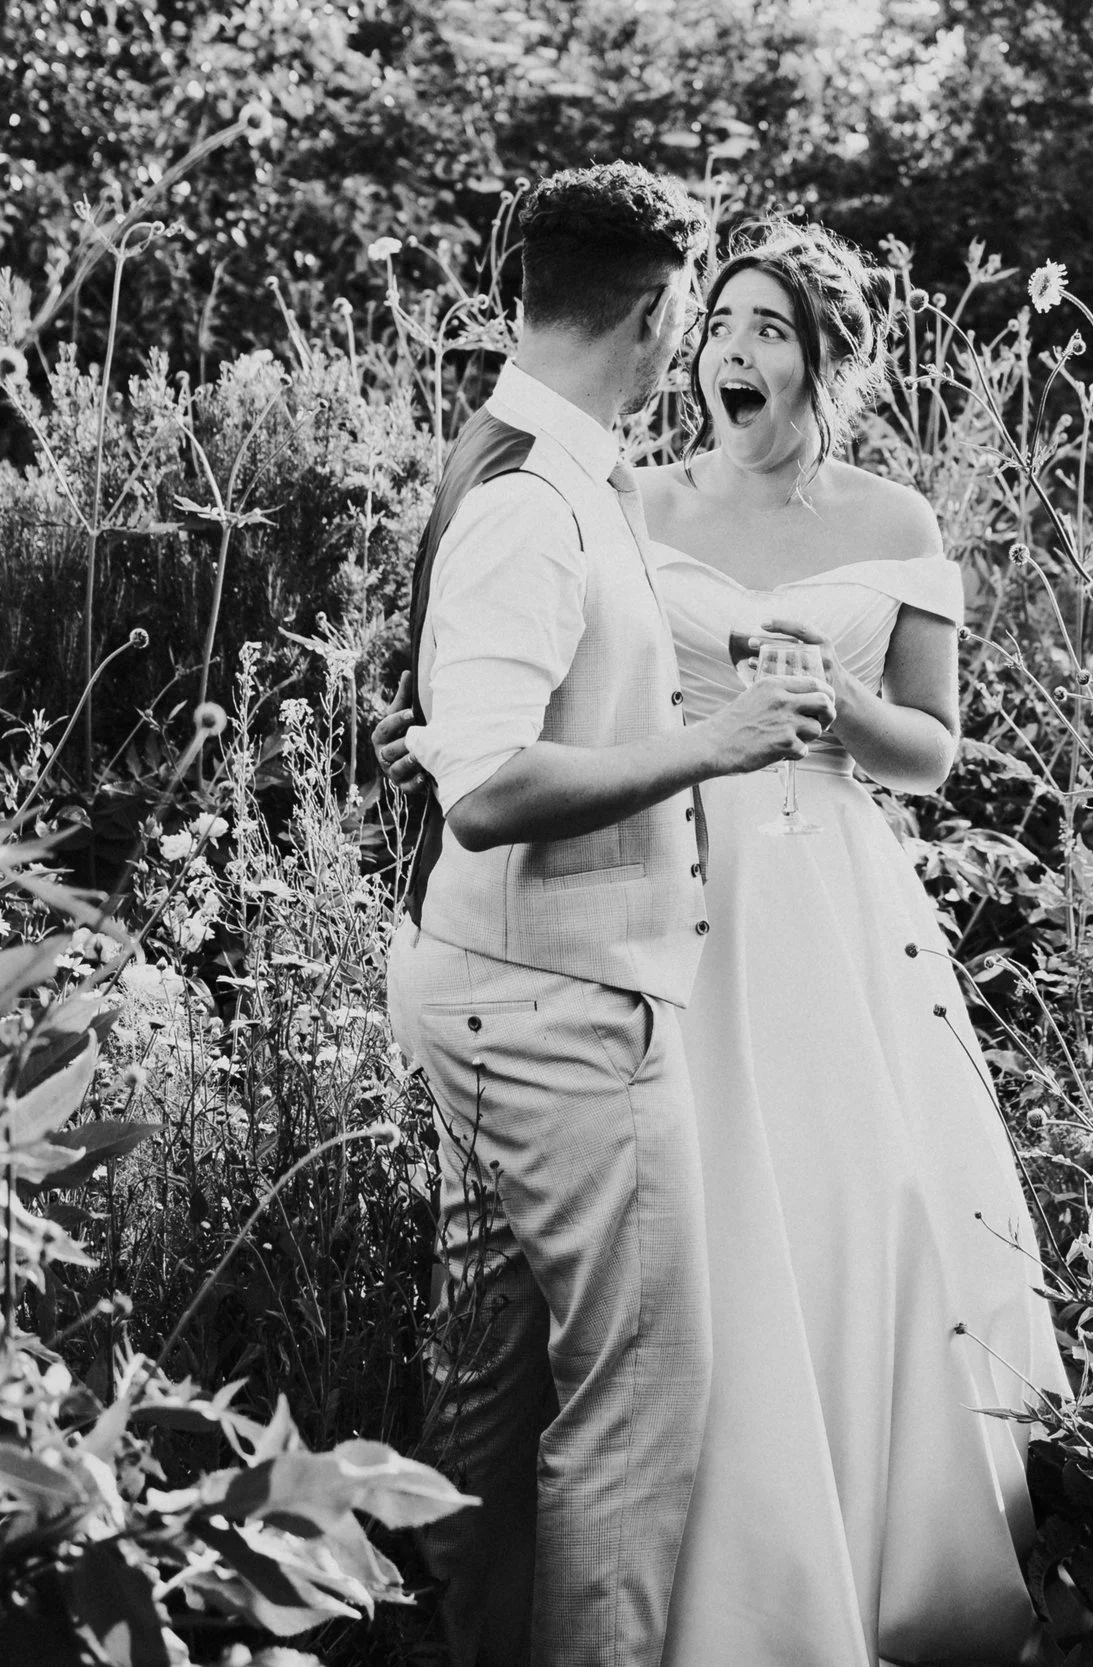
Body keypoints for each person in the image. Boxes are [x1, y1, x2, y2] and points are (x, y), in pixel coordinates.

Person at [382, 216, 1069, 1666]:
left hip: (826, 891)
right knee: (675, 1280)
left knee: (839, 1200)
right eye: (720, 325)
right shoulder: (621, 494)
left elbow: (934, 749)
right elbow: (550, 684)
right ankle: (694, 1592)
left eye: (768, 330)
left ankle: (858, 1551)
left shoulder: (896, 523)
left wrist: (833, 711)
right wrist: (458, 734)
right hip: (660, 906)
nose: (730, 355)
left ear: (828, 359)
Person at [383, 166, 837, 1667]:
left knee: (497, 1398)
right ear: (651, 316)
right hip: (559, 1013)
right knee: (637, 1406)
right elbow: (493, 786)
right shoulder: (531, 495)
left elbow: (482, 713)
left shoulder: (538, 460)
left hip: (497, 985)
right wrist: (711, 744)